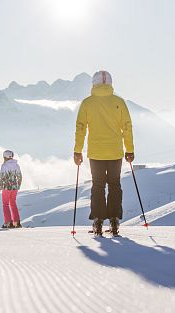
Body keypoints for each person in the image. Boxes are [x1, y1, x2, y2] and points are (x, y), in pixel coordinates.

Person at [73, 70, 134, 236]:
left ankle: (98, 221)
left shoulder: (87, 103)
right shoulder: (119, 102)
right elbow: (127, 126)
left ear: (94, 83)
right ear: (110, 83)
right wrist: (130, 149)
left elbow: (80, 128)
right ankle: (114, 220)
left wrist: (77, 151)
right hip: (115, 152)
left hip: (96, 153)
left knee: (98, 186)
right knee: (115, 185)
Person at [0, 150, 23, 228]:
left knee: (5, 204)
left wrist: (1, 186)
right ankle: (17, 222)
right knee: (13, 203)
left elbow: (2, 177)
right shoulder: (16, 165)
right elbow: (20, 176)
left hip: (6, 187)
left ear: (4, 157)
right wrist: (18, 185)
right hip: (15, 187)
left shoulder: (4, 165)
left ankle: (8, 222)